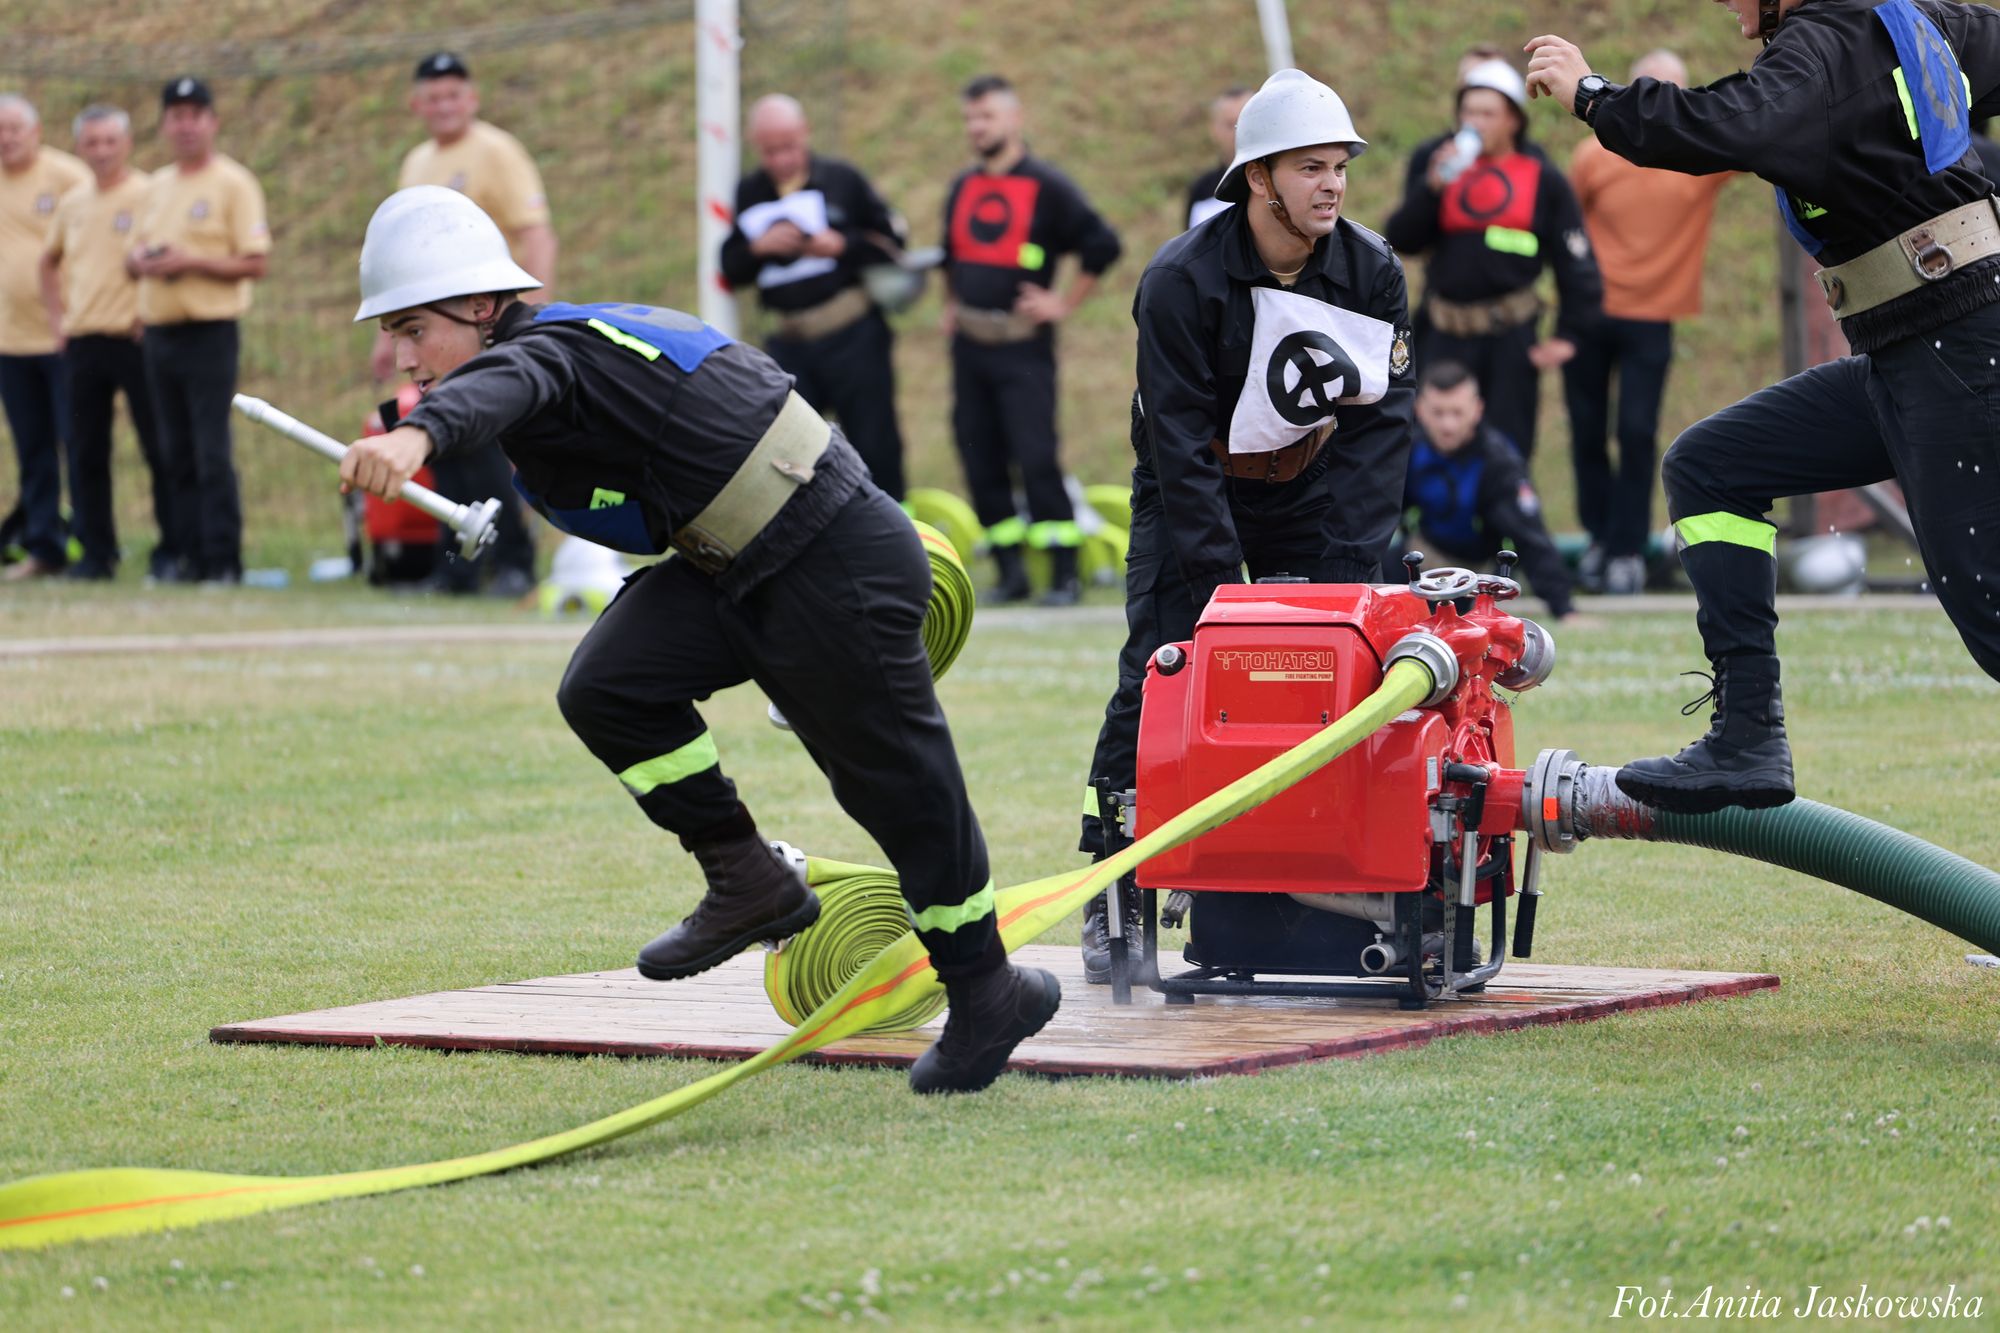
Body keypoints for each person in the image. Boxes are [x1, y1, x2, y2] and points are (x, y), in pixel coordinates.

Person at [338, 187, 1056, 1095]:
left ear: (481, 307)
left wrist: (418, 436)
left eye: (412, 329)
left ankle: (988, 989)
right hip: (738, 566)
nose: (400, 358)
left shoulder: (548, 349)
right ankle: (747, 877)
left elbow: (515, 380)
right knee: (608, 683)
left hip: (834, 552)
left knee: (899, 790)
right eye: (391, 337)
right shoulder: (538, 378)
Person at [1525, 0, 2000, 814]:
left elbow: (1729, 124)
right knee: (1713, 466)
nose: (1725, 2)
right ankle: (1747, 737)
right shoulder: (1912, 20)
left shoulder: (1822, 41)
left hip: (1956, 347)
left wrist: (1593, 95)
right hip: (1912, 347)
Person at [1076, 69, 1416, 979]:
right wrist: (1226, 590)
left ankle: (1324, 884)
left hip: (1310, 489)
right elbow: (1181, 450)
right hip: (1194, 489)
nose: (1333, 185)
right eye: (1310, 168)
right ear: (1259, 178)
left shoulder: (1373, 270)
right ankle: (1118, 894)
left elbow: (1382, 428)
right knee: (1163, 667)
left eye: (1340, 166)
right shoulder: (1179, 282)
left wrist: (1351, 578)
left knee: (1344, 667)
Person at [942, 74, 1123, 606]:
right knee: (978, 455)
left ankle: (1065, 573)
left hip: (1023, 347)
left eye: (987, 117)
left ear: (1014, 119)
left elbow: (1102, 245)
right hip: (968, 348)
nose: (977, 128)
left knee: (1035, 454)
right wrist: (952, 303)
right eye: (970, 118)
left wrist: (1063, 303)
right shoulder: (962, 186)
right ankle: (1010, 573)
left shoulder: (1048, 185)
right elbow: (949, 254)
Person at [1564, 49, 1731, 596]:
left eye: (1673, 90)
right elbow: (1562, 226)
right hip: (1589, 314)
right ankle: (1597, 537)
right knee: (1587, 431)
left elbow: (1764, 136)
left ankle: (1626, 549)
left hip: (1652, 317)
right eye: (1651, 87)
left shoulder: (1702, 157)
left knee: (1635, 434)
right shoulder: (1593, 154)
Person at [384, 51, 552, 598]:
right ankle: (456, 568)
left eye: (453, 94)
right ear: (417, 104)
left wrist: (532, 316)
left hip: (480, 326)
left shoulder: (497, 152)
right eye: (433, 96)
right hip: (432, 334)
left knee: (491, 450)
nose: (444, 105)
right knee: (441, 446)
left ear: (472, 98)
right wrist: (388, 336)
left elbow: (535, 234)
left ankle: (513, 562)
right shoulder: (416, 164)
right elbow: (402, 264)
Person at [1383, 57, 1602, 460]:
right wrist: (1431, 189)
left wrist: (1568, 336)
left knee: (1507, 450)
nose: (1475, 122)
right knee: (1429, 446)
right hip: (1444, 331)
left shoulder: (1542, 177)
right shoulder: (1436, 161)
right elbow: (1401, 240)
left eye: (1487, 113)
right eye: (1468, 112)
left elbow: (1575, 259)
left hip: (1509, 339)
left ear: (1513, 120)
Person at [719, 94, 909, 499]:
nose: (782, 159)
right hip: (791, 345)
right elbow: (730, 267)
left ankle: (896, 544)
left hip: (853, 333)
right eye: (770, 151)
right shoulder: (750, 193)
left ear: (805, 134)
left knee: (875, 442)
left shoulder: (843, 179)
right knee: (795, 454)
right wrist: (760, 248)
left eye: (789, 146)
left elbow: (892, 243)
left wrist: (842, 245)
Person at [129, 76, 268, 586]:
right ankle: (183, 557)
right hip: (159, 335)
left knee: (211, 451)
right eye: (176, 116)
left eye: (195, 115)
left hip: (209, 332)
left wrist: (191, 263)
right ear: (165, 124)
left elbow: (255, 262)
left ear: (212, 121)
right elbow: (139, 250)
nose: (185, 125)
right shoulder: (157, 186)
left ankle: (222, 561)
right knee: (174, 452)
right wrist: (141, 261)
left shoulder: (233, 183)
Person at [42, 105, 169, 582]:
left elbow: (161, 256)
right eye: (91, 142)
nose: (100, 151)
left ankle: (171, 548)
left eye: (109, 141)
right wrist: (58, 320)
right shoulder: (73, 202)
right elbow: (46, 262)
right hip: (83, 342)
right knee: (84, 451)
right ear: (79, 147)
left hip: (135, 340)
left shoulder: (151, 193)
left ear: (127, 143)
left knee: (158, 447)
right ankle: (97, 552)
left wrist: (145, 311)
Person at [1398, 360, 1575, 619]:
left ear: (1477, 410)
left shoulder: (1498, 462)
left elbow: (1530, 537)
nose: (1447, 425)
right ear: (1420, 410)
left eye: (1457, 413)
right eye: (1438, 413)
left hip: (1474, 578)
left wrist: (1564, 609)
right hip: (1420, 563)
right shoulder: (1408, 451)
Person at [0, 93, 87, 582]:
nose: (6, 138)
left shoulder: (68, 176)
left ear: (35, 131)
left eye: (15, 128)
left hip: (64, 337)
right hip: (9, 343)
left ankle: (94, 546)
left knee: (78, 446)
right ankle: (43, 547)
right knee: (33, 452)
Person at [1184, 86, 1254, 230]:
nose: (1238, 131)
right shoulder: (1201, 192)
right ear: (1214, 130)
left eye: (1245, 121)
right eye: (1230, 125)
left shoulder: (1278, 179)